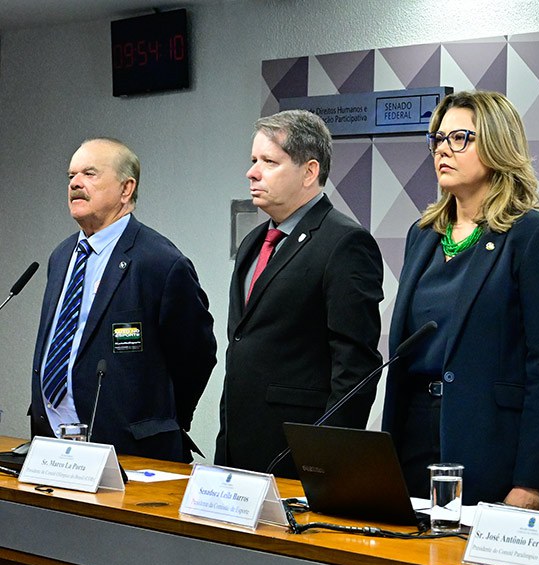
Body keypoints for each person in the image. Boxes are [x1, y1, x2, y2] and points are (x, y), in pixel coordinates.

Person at [381, 91, 539, 510]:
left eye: (459, 139)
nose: (442, 150)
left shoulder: (533, 237)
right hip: (414, 436)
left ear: (496, 145)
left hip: (491, 445)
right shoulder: (423, 235)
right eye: (437, 138)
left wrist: (531, 480)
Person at [216, 110, 384, 477]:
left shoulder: (345, 243)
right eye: (253, 161)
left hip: (299, 456)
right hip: (238, 453)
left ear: (310, 172)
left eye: (269, 162)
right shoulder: (253, 243)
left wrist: (325, 458)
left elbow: (355, 367)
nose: (252, 172)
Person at [30, 138, 217, 462]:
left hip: (131, 450)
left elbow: (196, 356)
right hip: (53, 447)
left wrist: (161, 420)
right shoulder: (61, 256)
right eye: (71, 176)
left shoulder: (159, 262)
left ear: (126, 189)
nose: (75, 183)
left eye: (89, 174)